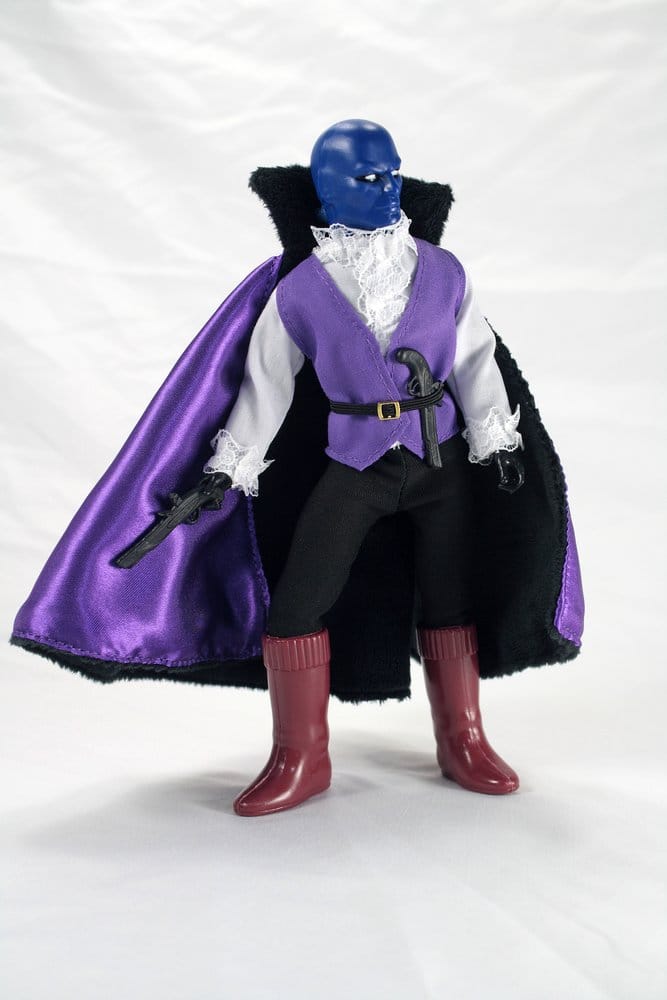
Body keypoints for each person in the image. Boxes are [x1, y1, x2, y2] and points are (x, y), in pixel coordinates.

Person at [11, 119, 584, 818]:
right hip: (356, 465)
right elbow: (266, 386)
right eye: (367, 177)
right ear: (327, 191)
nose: (388, 187)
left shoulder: (445, 271)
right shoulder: (301, 289)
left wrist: (497, 443)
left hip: (442, 467)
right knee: (297, 604)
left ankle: (463, 738)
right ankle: (300, 755)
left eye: (393, 172)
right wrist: (231, 465)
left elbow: (475, 362)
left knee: (449, 602)